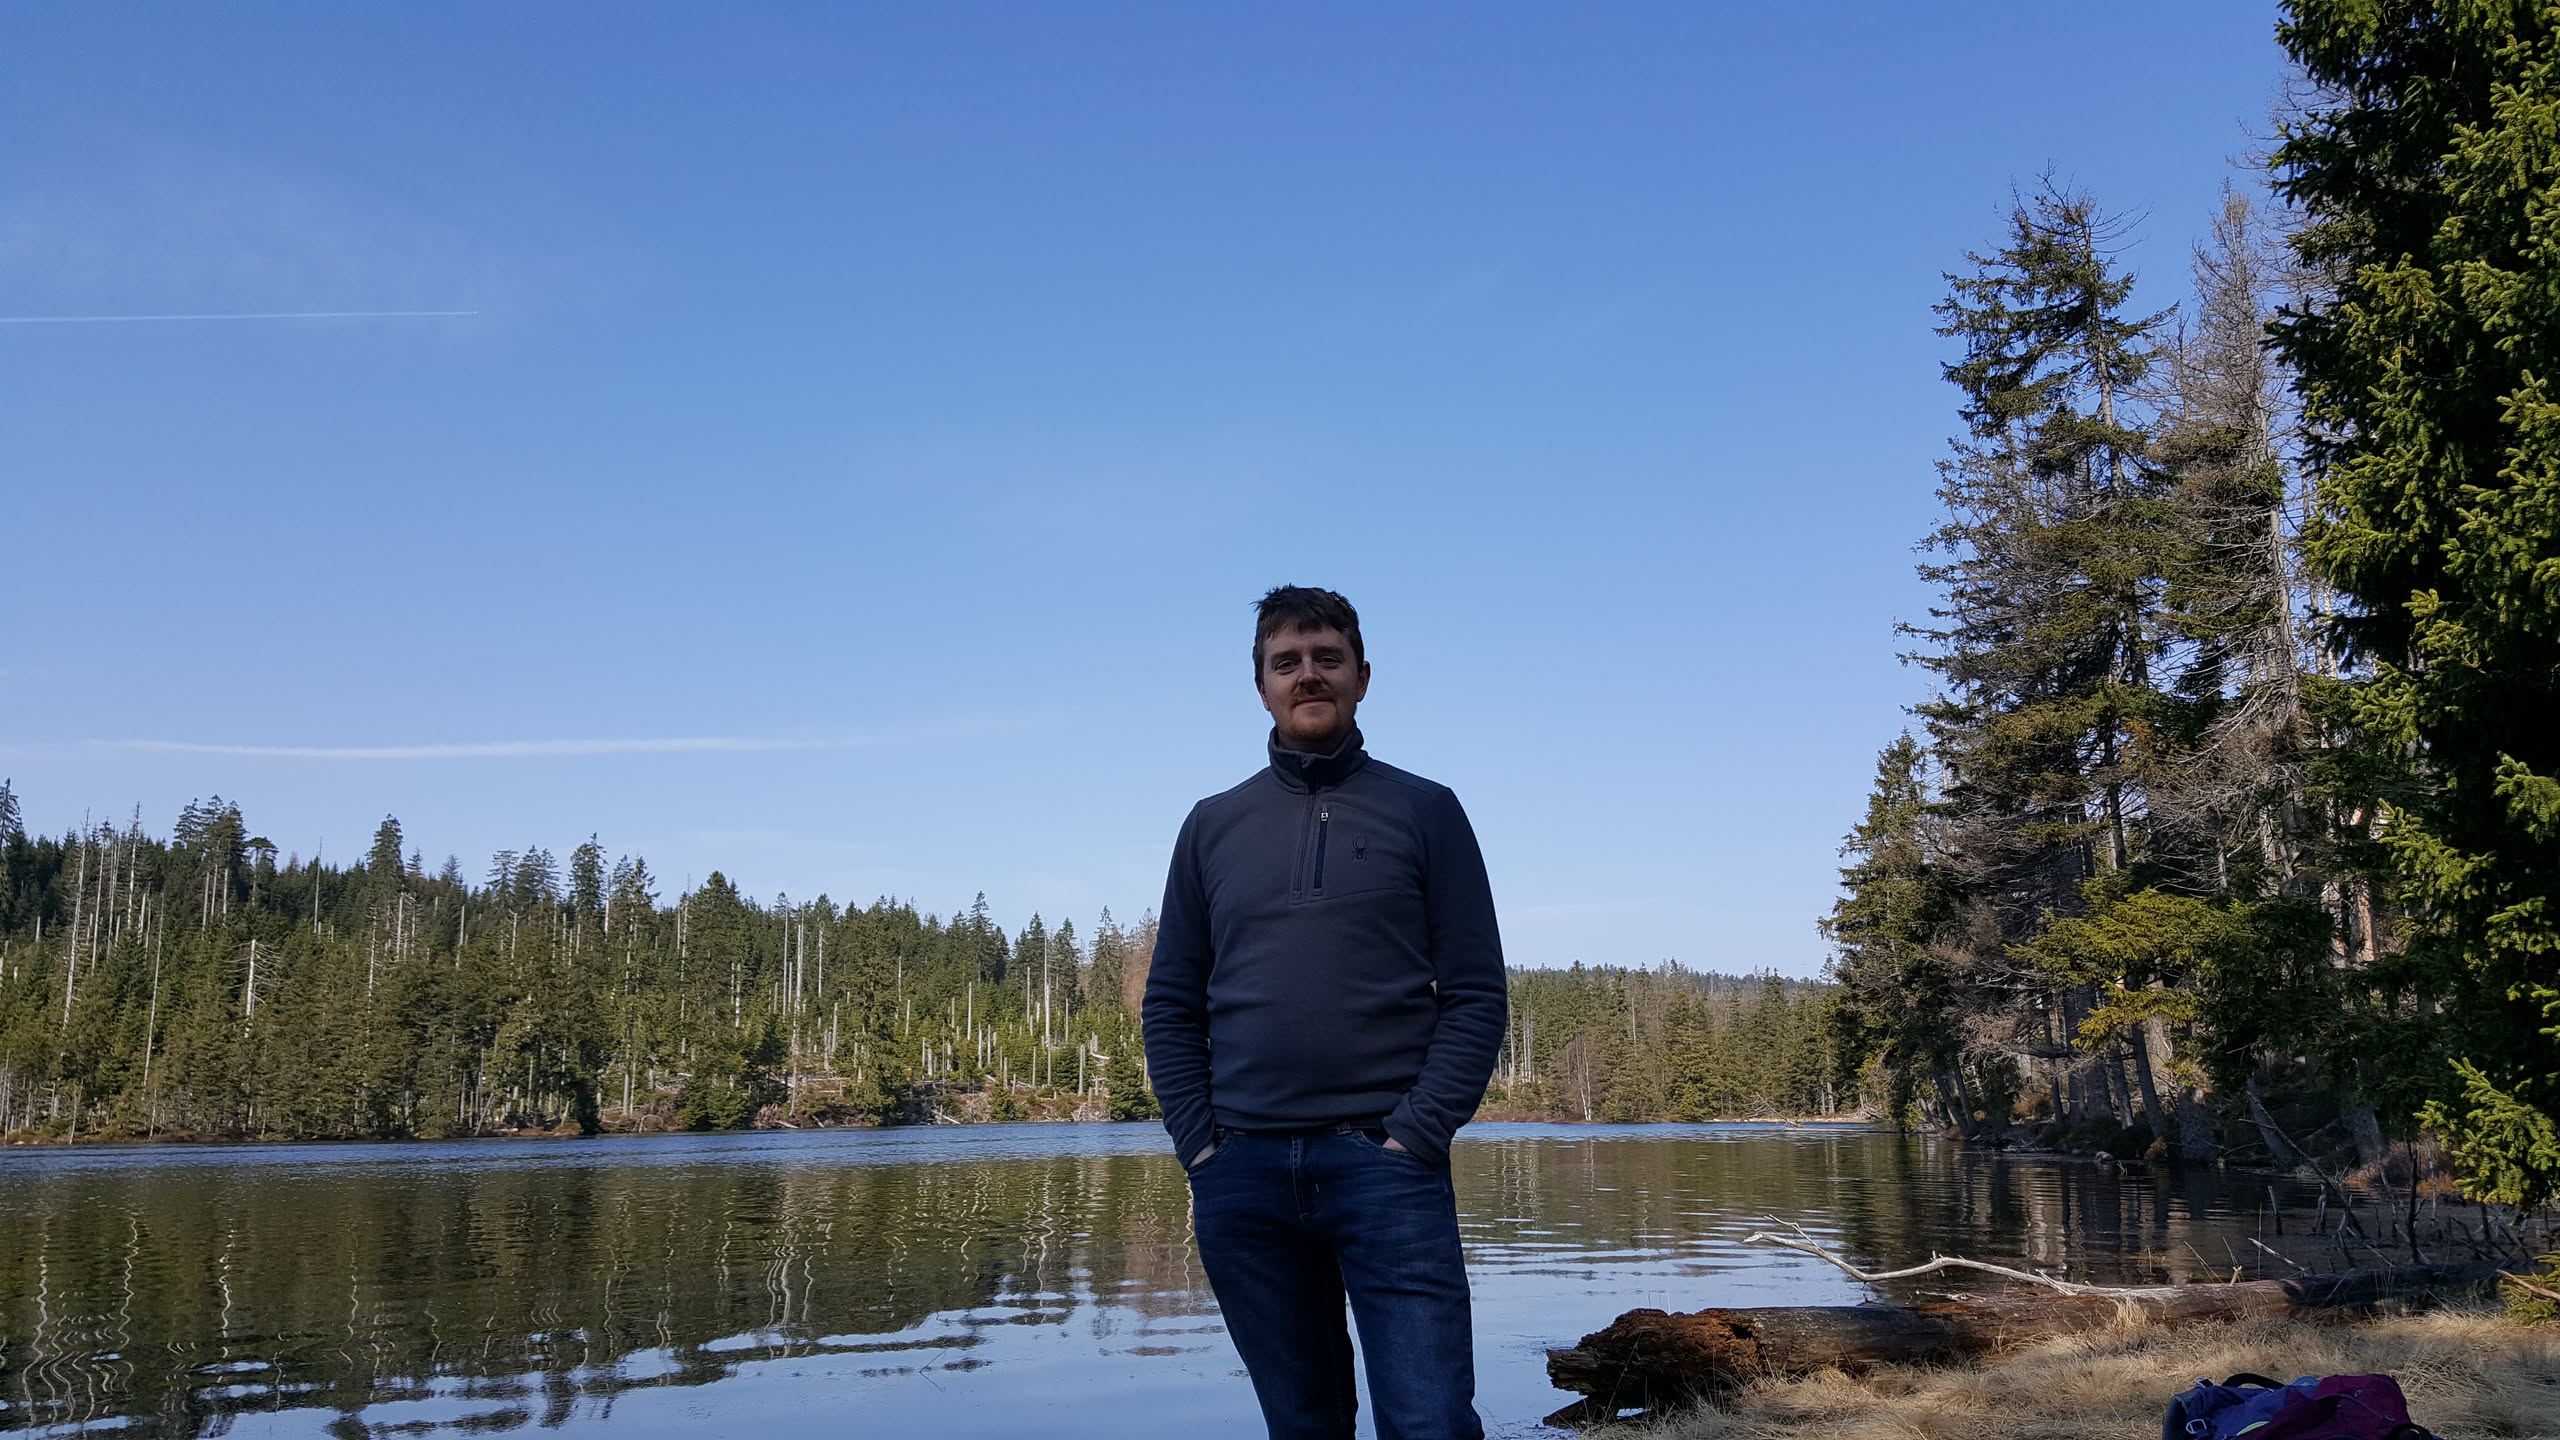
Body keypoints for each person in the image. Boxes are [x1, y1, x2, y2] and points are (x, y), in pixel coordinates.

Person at [1143, 584, 1508, 1440]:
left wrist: (1417, 1134)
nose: (1308, 675)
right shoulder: (1211, 826)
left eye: (1327, 658)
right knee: (1303, 1425)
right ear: (1262, 686)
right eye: (1287, 662)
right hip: (1242, 1177)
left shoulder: (1427, 810)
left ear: (1362, 677)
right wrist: (1202, 1147)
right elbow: (1171, 1003)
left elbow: (1475, 993)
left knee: (1429, 1423)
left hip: (1386, 1170)